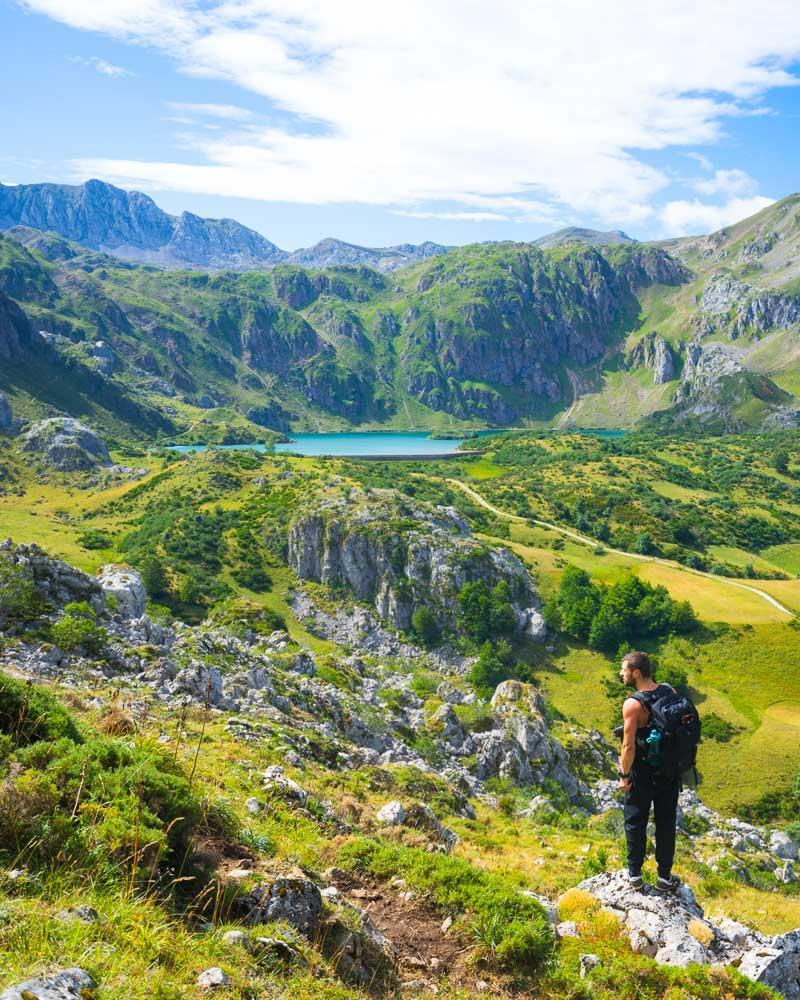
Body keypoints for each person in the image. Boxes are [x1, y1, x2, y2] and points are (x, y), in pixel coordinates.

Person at [618, 650, 682, 893]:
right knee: (666, 822)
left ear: (636, 672)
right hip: (669, 772)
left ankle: (634, 875)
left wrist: (625, 776)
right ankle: (664, 877)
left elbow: (628, 744)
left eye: (624, 670)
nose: (621, 674)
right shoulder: (669, 691)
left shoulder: (633, 704)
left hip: (643, 773)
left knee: (635, 821)